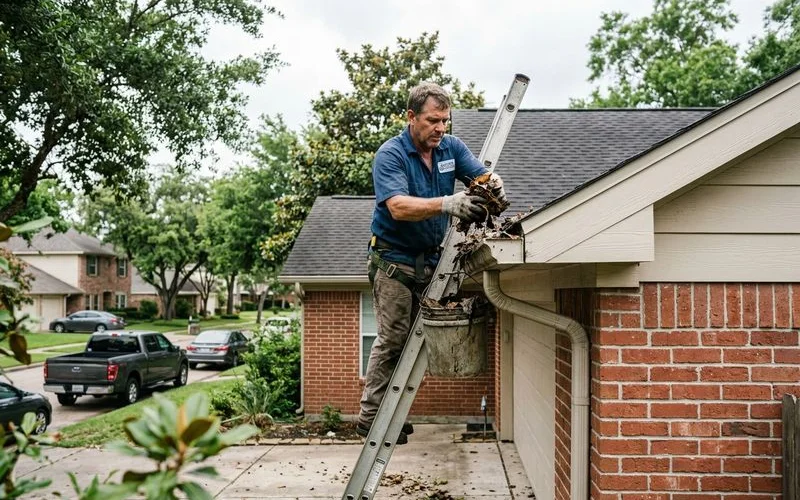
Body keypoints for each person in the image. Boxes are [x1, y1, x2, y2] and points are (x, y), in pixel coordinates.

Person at [357, 82, 507, 444]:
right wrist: (447, 204)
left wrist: (492, 184)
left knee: (418, 342)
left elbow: (479, 176)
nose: (440, 128)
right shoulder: (391, 154)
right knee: (394, 339)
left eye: (445, 120)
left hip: (432, 262)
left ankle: (394, 413)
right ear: (412, 117)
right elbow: (397, 206)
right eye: (433, 120)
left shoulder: (450, 148)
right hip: (394, 262)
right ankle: (371, 416)